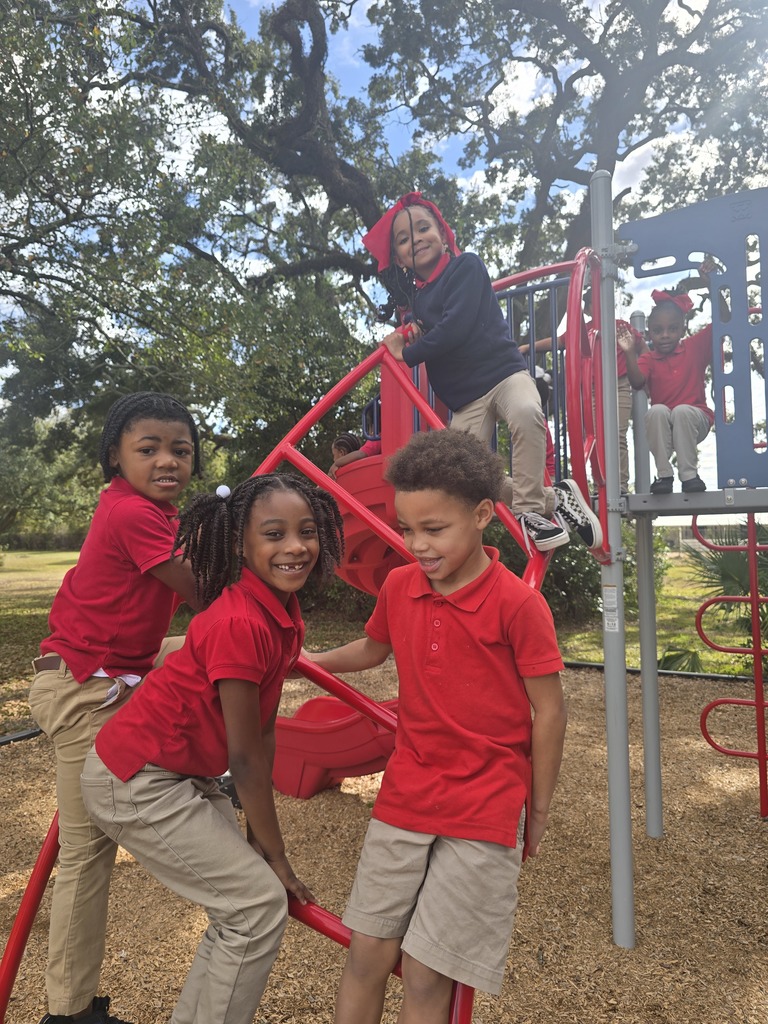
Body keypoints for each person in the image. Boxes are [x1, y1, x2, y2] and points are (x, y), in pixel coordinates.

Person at [306, 429, 568, 1024]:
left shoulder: (518, 605)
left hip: (485, 803)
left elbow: (549, 711)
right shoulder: (400, 585)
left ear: (481, 516)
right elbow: (372, 650)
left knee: (427, 975)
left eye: (433, 529)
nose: (416, 544)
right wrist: (307, 660)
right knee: (366, 953)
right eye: (405, 529)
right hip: (407, 794)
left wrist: (539, 808)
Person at [81, 474, 344, 1024]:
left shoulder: (281, 615)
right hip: (136, 779)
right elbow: (245, 757)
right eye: (274, 534)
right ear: (240, 546)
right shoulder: (240, 621)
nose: (295, 546)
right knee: (256, 907)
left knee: (242, 914)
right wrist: (277, 857)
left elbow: (264, 731)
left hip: (182, 776)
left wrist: (257, 833)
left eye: (307, 531)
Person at [28, 392, 204, 1024]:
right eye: (148, 449)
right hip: (84, 685)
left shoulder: (155, 512)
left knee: (206, 654)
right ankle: (68, 1012)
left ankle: (209, 772)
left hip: (120, 665)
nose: (167, 461)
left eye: (180, 450)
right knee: (86, 849)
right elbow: (203, 589)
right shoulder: (133, 514)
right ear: (115, 457)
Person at [363, 191, 600, 552]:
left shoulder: (466, 267)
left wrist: (405, 354)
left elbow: (455, 327)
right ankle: (558, 499)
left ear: (444, 235)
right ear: (399, 258)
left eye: (423, 228)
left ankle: (532, 511)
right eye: (404, 239)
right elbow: (428, 327)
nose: (416, 239)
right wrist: (410, 331)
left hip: (503, 374)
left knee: (526, 412)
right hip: (465, 398)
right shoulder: (418, 301)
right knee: (463, 476)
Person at [519, 288, 647, 493]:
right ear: (587, 309)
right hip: (591, 391)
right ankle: (601, 484)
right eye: (595, 304)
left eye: (606, 303)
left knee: (618, 434)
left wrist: (644, 369)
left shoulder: (621, 327)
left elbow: (643, 349)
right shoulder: (582, 330)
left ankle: (621, 484)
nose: (603, 308)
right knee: (595, 436)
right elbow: (556, 342)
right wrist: (527, 347)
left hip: (618, 386)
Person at [618, 288, 713, 494]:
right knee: (656, 411)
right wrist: (628, 352)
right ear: (650, 333)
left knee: (681, 411)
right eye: (658, 330)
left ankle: (689, 476)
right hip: (666, 426)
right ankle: (664, 475)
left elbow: (724, 320)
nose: (665, 335)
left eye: (672, 329)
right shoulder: (649, 358)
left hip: (696, 420)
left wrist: (712, 284)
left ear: (682, 329)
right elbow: (636, 382)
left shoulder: (694, 347)